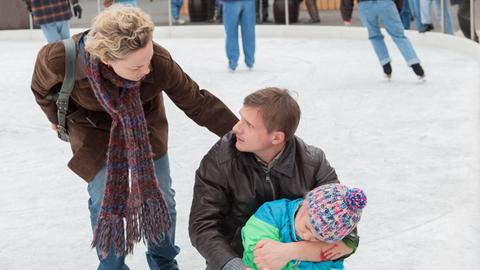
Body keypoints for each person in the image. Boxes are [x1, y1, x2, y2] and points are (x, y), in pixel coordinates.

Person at [30, 6, 238, 270]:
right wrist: (57, 118)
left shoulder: (158, 62)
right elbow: (40, 89)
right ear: (107, 59)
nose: (147, 70)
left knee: (161, 195)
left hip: (144, 124)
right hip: (92, 129)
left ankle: (164, 262)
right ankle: (112, 266)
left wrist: (239, 131)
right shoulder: (60, 59)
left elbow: (197, 102)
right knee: (104, 198)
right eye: (137, 66)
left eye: (148, 59)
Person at [189, 87, 359, 270]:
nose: (236, 127)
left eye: (249, 124)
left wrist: (289, 252)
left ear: (276, 138)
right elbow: (202, 226)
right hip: (235, 258)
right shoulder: (220, 161)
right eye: (241, 118)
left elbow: (347, 235)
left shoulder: (313, 163)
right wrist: (237, 266)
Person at [242, 183, 367, 270]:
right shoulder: (273, 213)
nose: (308, 237)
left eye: (318, 239)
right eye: (308, 227)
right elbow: (256, 248)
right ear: (305, 204)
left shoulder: (330, 249)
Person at [356, 0, 425, 79]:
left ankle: (386, 65)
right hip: (385, 3)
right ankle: (415, 65)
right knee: (399, 36)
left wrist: (346, 14)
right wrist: (398, 7)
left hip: (364, 5)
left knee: (375, 36)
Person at [222, 0, 256, 71]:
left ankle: (233, 63)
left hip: (231, 2)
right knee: (249, 30)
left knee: (231, 32)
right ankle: (250, 61)